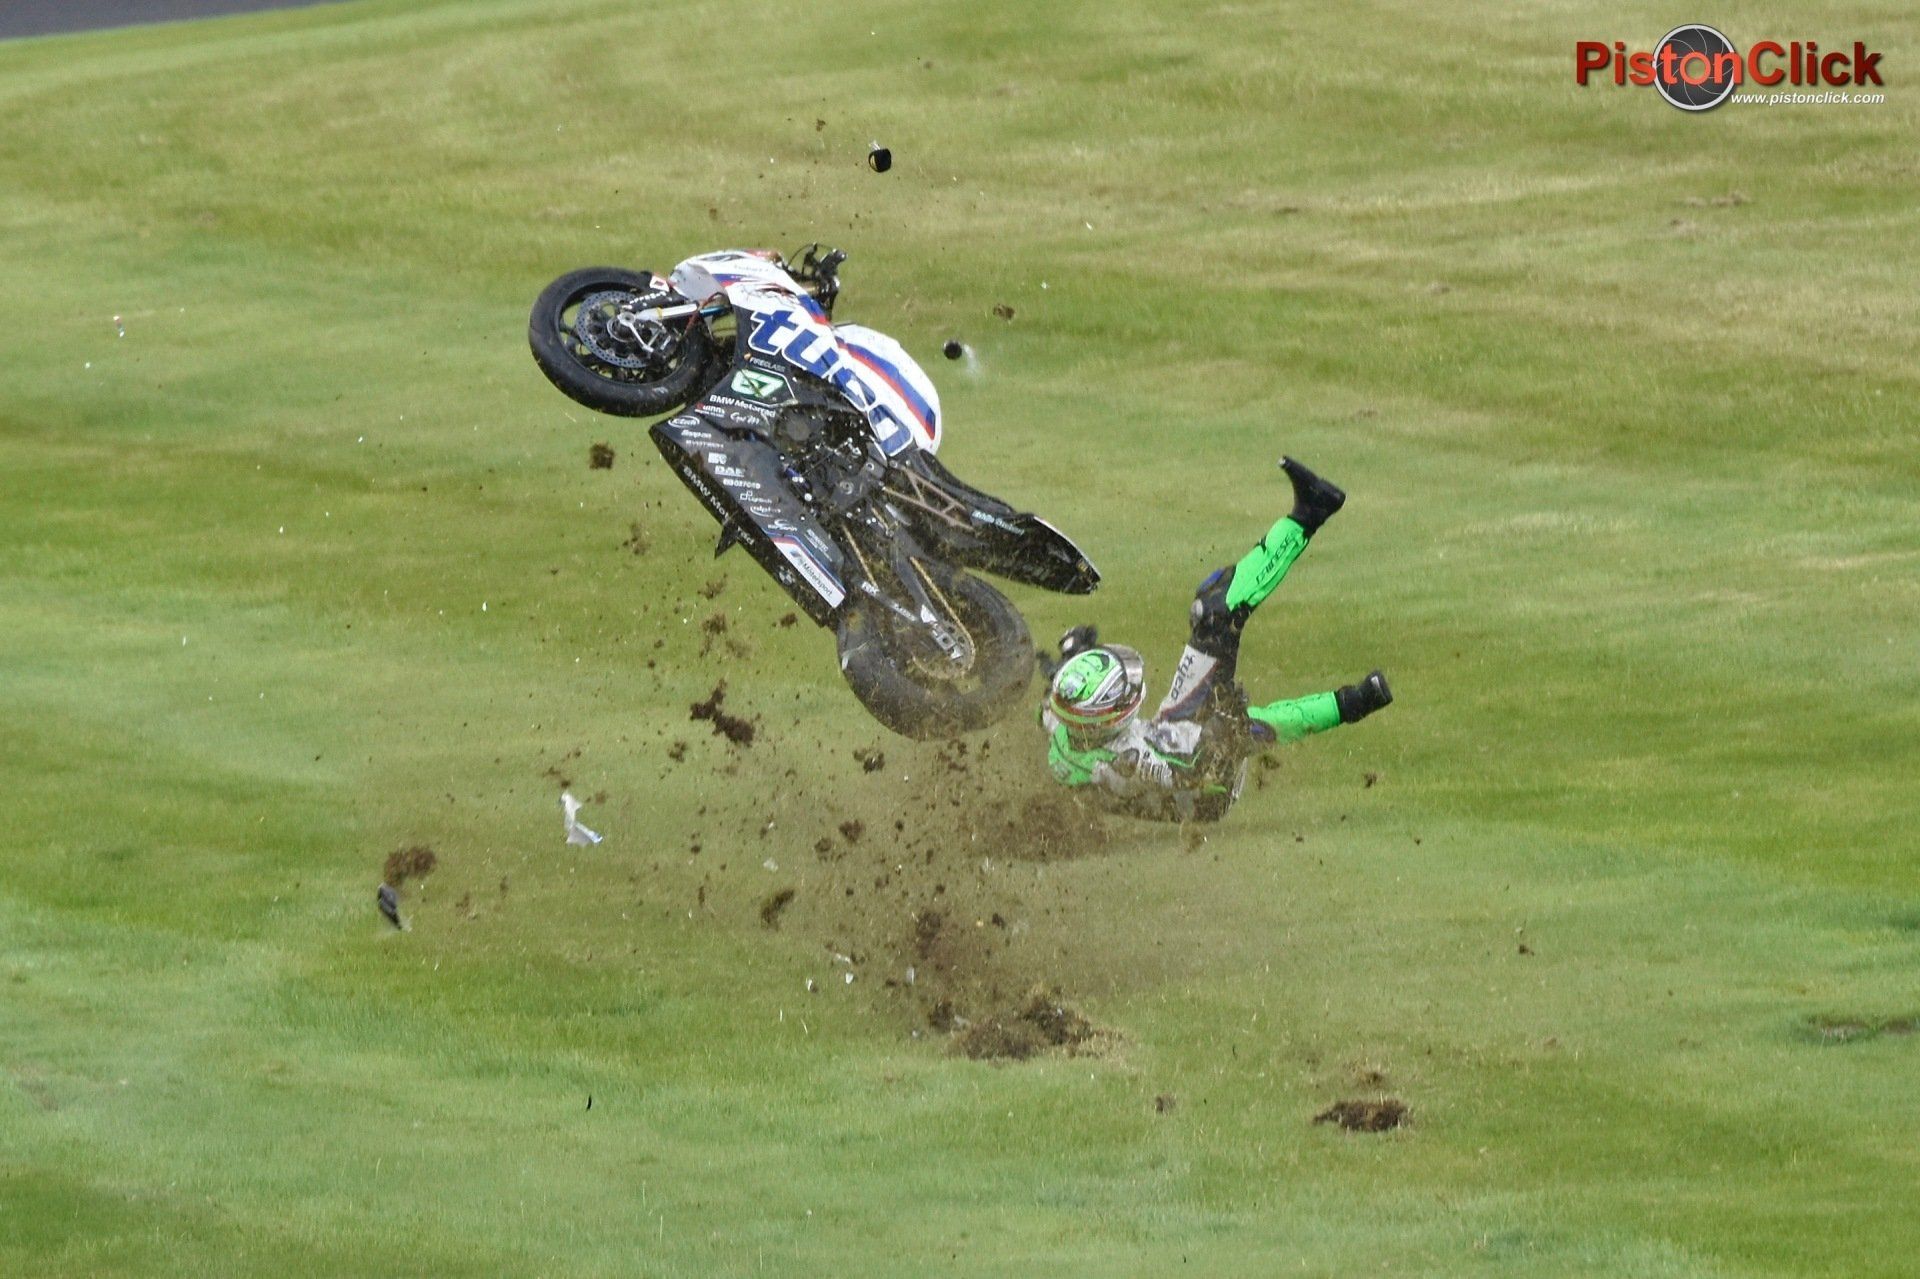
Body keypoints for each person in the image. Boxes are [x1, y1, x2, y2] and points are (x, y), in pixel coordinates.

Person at [1040, 457, 1393, 822]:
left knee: (1212, 612)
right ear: (1104, 722)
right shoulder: (1129, 761)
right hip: (1204, 792)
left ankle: (1310, 510)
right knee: (1241, 728)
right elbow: (1192, 773)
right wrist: (1220, 729)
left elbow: (1054, 709)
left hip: (1168, 741)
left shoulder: (1067, 725)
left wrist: (1073, 660)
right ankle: (1352, 703)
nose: (1132, 688)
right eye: (1122, 695)